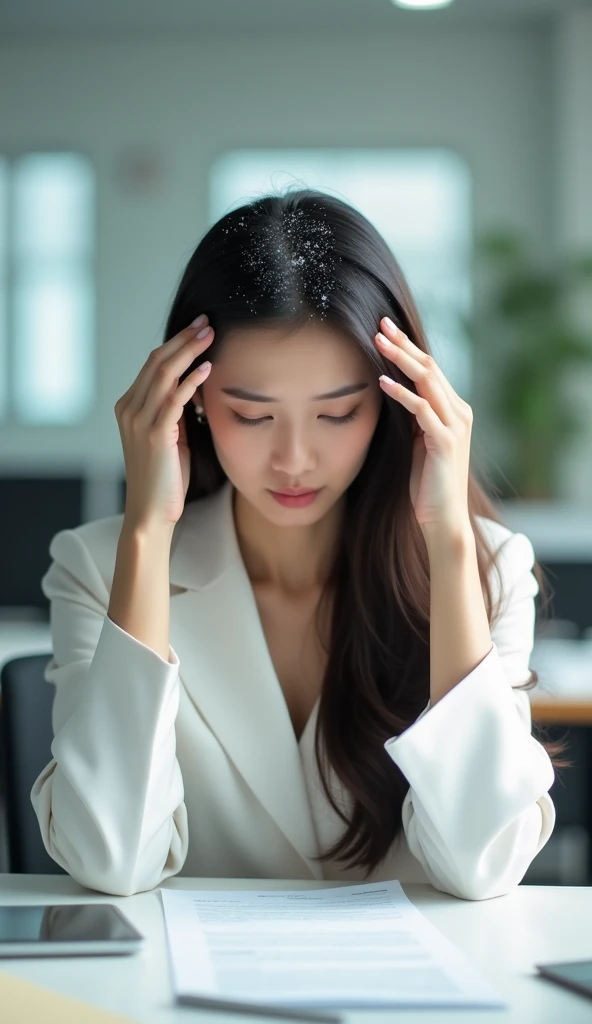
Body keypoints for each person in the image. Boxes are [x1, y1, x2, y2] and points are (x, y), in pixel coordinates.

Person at [31, 189, 560, 899]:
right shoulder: (99, 567)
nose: (294, 460)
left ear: (400, 402)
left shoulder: (485, 566)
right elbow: (109, 858)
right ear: (187, 399)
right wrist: (148, 533)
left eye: (338, 412)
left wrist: (450, 545)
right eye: (252, 416)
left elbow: (483, 865)